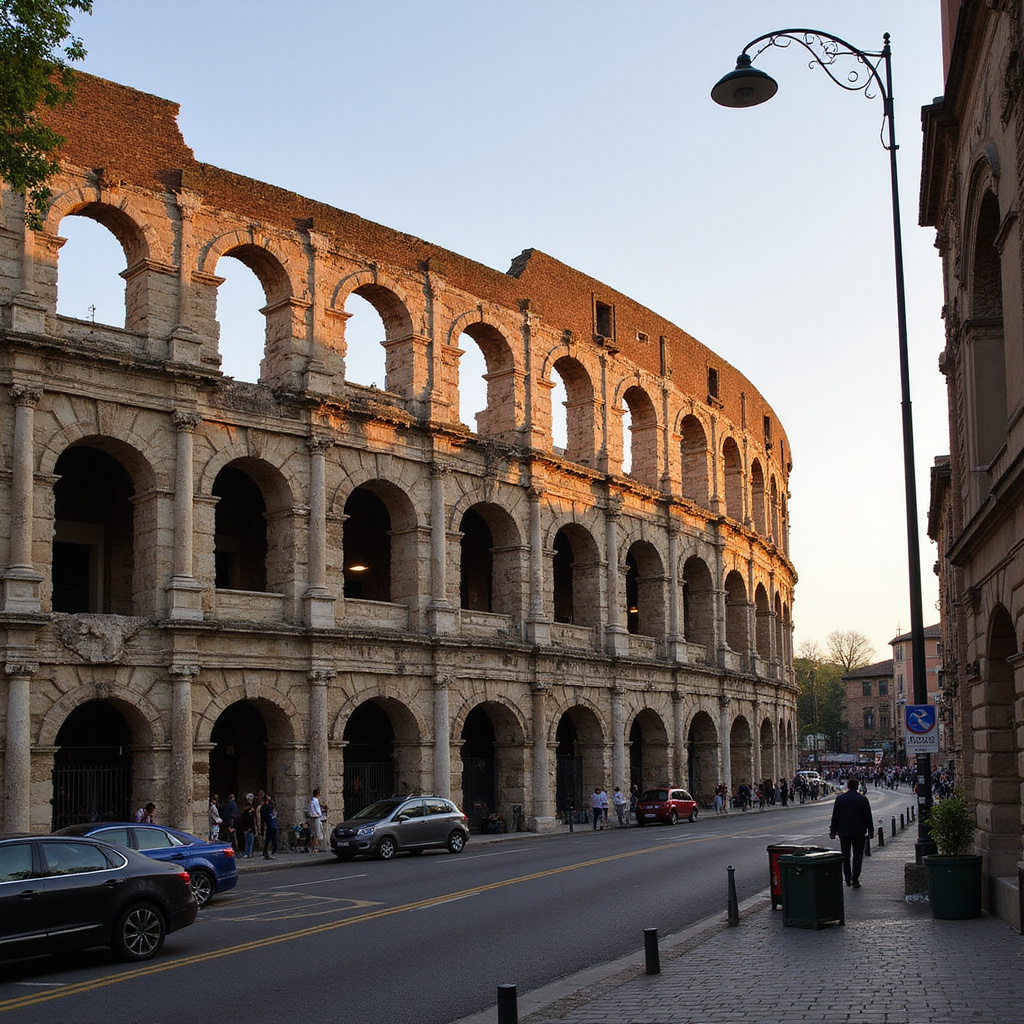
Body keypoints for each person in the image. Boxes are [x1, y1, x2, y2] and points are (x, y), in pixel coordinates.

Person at [830, 777, 874, 888]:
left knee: (845, 855)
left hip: (844, 831)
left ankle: (847, 877)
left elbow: (835, 816)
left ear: (848, 786)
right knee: (858, 855)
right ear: (857, 786)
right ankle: (855, 877)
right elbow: (868, 817)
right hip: (859, 831)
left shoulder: (840, 799)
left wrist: (833, 831)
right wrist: (871, 830)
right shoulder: (863, 799)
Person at [307, 787, 327, 853]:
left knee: (316, 832)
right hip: (315, 818)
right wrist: (318, 814)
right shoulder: (314, 801)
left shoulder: (314, 801)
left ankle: (316, 846)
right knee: (317, 832)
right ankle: (316, 847)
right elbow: (313, 811)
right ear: (318, 794)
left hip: (316, 817)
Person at [261, 794, 279, 859]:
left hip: (272, 825)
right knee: (269, 839)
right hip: (270, 825)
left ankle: (270, 852)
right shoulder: (266, 807)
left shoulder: (269, 807)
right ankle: (267, 852)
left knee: (272, 840)